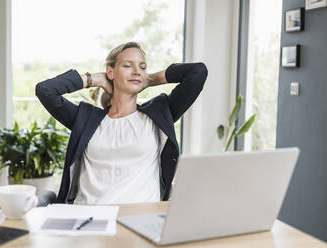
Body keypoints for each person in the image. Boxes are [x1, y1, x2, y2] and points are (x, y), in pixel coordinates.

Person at [36, 41, 208, 205]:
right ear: (110, 72)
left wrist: (150, 79)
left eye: (142, 67)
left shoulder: (158, 115)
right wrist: (94, 79)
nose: (137, 71)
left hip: (140, 219)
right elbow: (45, 90)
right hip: (89, 218)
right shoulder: (87, 119)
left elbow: (198, 72)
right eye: (127, 65)